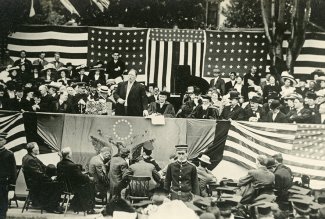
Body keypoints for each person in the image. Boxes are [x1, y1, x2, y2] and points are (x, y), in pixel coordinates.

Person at [22, 142, 63, 213]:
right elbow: (39, 174)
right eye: (37, 147)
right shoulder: (30, 159)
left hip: (36, 181)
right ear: (32, 149)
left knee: (51, 168)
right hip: (35, 184)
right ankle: (51, 207)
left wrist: (54, 172)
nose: (38, 148)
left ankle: (54, 205)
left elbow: (44, 167)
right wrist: (50, 179)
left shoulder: (30, 157)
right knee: (58, 185)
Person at [57, 147, 96, 214]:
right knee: (91, 184)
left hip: (65, 186)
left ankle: (75, 205)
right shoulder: (72, 166)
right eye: (71, 153)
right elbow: (80, 177)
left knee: (87, 183)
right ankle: (89, 208)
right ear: (68, 155)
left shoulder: (59, 164)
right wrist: (89, 177)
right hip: (73, 188)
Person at [0, 132, 16, 219]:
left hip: (3, 184)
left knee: (2, 207)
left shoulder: (9, 154)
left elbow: (13, 172)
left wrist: (12, 188)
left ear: (5, 141)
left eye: (0, 140)